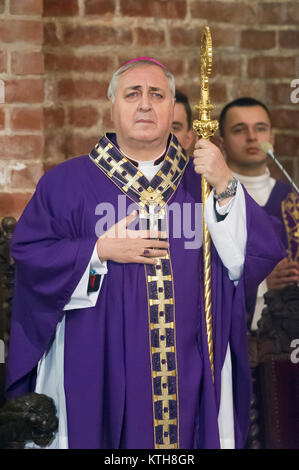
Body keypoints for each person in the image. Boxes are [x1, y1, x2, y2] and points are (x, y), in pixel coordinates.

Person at [6, 59, 285, 450]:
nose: (145, 104)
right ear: (112, 107)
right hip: (93, 364)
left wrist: (225, 183)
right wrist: (99, 250)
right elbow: (32, 259)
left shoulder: (203, 183)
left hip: (191, 366)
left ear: (172, 108)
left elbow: (251, 257)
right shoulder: (65, 184)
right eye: (132, 94)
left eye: (157, 95)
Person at [218, 97, 299, 329]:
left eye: (260, 129)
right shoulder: (211, 202)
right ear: (221, 143)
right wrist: (261, 285)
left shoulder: (293, 199)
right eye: (239, 130)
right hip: (233, 337)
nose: (252, 137)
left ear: (271, 139)